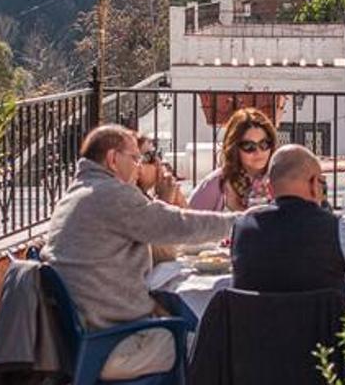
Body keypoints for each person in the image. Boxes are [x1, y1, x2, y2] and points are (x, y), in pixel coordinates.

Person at [42, 125, 238, 380]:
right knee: (206, 339)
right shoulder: (111, 194)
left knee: (182, 315)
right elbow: (178, 225)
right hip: (115, 341)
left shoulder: (75, 194)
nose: (138, 166)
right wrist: (241, 222)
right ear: (113, 159)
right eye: (135, 158)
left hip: (78, 337)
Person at [231, 144, 345, 315]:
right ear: (314, 184)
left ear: (269, 189)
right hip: (324, 339)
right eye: (323, 183)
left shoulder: (242, 227)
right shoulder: (338, 229)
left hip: (255, 339)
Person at [189, 107, 277, 211]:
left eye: (264, 144)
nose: (258, 152)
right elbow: (188, 220)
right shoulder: (218, 183)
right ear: (235, 148)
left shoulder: (281, 179)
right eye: (249, 146)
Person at [134, 132, 187, 264]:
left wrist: (177, 199)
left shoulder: (148, 197)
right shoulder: (131, 201)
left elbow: (187, 232)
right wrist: (165, 202)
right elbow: (163, 256)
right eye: (149, 157)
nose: (158, 163)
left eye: (157, 154)